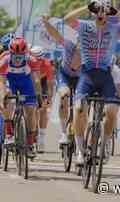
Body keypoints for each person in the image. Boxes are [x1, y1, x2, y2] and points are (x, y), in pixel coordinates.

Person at [64, 0, 120, 164]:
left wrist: (116, 12)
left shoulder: (114, 28)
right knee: (79, 107)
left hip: (105, 74)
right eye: (97, 10)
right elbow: (67, 19)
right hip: (87, 73)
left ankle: (103, 144)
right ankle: (81, 150)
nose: (100, 13)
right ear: (92, 11)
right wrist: (87, 6)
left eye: (103, 10)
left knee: (112, 111)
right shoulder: (84, 26)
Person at [0, 37, 42, 157]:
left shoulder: (31, 59)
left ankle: (30, 143)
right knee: (7, 100)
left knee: (31, 111)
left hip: (26, 82)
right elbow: (1, 84)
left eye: (20, 57)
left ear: (25, 54)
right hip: (10, 81)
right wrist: (2, 100)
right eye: (15, 56)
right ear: (10, 53)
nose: (17, 59)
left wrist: (39, 97)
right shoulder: (2, 60)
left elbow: (36, 81)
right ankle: (9, 134)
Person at [41, 15, 81, 145]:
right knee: (64, 96)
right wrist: (46, 23)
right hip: (65, 75)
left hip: (81, 78)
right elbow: (55, 34)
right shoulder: (69, 45)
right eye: (79, 46)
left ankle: (79, 131)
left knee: (82, 104)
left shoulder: (89, 53)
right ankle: (63, 133)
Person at [30, 45, 54, 153]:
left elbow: (49, 84)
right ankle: (31, 133)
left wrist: (49, 98)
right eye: (34, 59)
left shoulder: (47, 64)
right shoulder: (28, 62)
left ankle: (41, 139)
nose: (36, 62)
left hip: (42, 83)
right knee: (32, 110)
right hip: (30, 82)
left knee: (43, 110)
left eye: (38, 60)